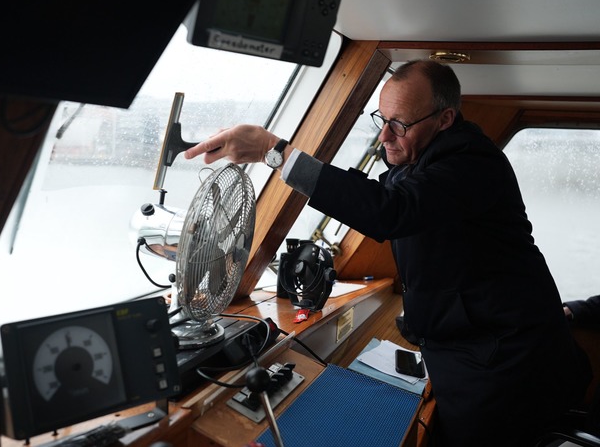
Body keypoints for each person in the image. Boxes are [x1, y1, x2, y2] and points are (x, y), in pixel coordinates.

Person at [184, 60, 592, 447]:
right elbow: (387, 199)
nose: (384, 136)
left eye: (399, 124)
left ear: (445, 119)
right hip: (477, 349)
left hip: (506, 370)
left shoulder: (472, 164)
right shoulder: (420, 159)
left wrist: (274, 152)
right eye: (381, 120)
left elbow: (389, 211)